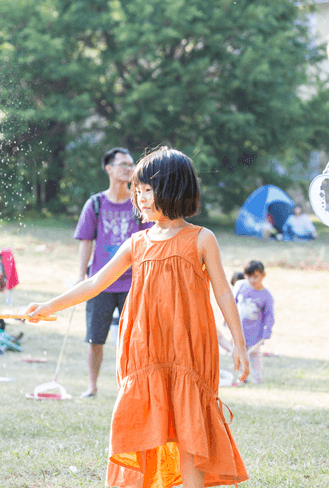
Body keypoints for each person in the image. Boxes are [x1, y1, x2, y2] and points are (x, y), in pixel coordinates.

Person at [26, 147, 249, 488]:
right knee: (145, 428)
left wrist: (239, 344)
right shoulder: (136, 242)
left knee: (190, 431)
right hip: (146, 352)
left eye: (148, 190)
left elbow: (222, 293)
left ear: (174, 189)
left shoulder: (202, 239)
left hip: (188, 351)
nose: (140, 198)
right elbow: (95, 282)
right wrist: (48, 306)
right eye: (138, 191)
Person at [73, 147, 151, 398]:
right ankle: (92, 386)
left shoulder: (138, 202)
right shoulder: (95, 204)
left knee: (132, 341)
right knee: (95, 339)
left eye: (131, 165)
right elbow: (86, 241)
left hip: (132, 283)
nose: (129, 169)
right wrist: (80, 276)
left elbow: (148, 239)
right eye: (123, 165)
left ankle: (129, 389)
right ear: (109, 168)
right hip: (100, 282)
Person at [233, 260, 275, 384]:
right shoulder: (240, 286)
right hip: (240, 329)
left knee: (254, 355)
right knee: (240, 353)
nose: (252, 280)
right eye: (249, 276)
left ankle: (257, 378)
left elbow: (269, 315)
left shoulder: (266, 295)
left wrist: (267, 330)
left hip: (255, 331)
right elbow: (232, 303)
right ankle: (241, 377)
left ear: (263, 275)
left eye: (256, 276)